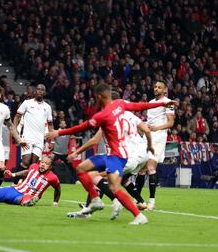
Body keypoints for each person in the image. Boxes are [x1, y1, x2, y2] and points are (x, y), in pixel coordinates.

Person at [46, 83, 178, 224]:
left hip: (118, 157)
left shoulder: (102, 115)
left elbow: (81, 128)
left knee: (112, 185)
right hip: (117, 155)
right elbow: (141, 106)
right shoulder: (121, 104)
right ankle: (97, 201)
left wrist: (58, 132)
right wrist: (164, 103)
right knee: (82, 169)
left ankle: (138, 215)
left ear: (98, 97)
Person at [68, 109, 154, 219]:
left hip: (126, 156)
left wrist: (76, 152)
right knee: (117, 180)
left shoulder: (109, 120)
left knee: (95, 176)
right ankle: (139, 202)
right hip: (141, 155)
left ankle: (115, 201)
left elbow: (94, 141)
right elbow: (145, 130)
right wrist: (149, 146)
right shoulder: (127, 116)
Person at [136, 79, 175, 210]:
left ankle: (152, 202)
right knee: (141, 168)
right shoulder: (151, 103)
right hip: (148, 136)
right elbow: (150, 121)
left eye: (159, 87)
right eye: (155, 86)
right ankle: (138, 200)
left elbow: (170, 123)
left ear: (164, 90)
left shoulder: (168, 103)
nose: (156, 89)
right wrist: (144, 127)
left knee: (151, 165)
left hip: (158, 138)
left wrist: (156, 128)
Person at [13, 84, 53, 183]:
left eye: (42, 90)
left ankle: (25, 184)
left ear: (44, 93)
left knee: (34, 164)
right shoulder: (27, 103)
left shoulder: (47, 107)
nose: (40, 91)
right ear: (35, 91)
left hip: (39, 140)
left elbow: (50, 124)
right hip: (27, 137)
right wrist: (15, 131)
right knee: (26, 161)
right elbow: (17, 117)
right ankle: (15, 182)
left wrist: (52, 141)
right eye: (38, 89)